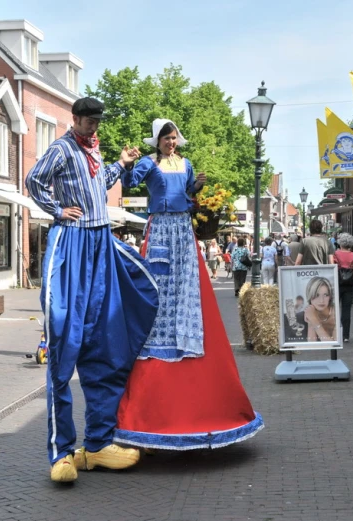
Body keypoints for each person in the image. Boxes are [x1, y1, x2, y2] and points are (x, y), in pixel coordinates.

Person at [25, 97, 159, 483]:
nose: (93, 127)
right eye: (88, 121)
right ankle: (62, 452)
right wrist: (56, 210)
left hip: (102, 243)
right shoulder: (61, 148)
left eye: (97, 121)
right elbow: (34, 181)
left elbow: (98, 185)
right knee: (64, 345)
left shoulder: (94, 149)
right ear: (75, 118)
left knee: (107, 342)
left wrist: (121, 164)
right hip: (73, 244)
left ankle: (98, 444)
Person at [115, 118, 263, 452]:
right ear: (157, 141)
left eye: (173, 138)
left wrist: (195, 189)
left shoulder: (186, 163)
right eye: (165, 138)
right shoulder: (148, 163)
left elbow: (184, 193)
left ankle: (185, 323)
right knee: (157, 283)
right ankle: (160, 330)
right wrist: (126, 164)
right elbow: (131, 182)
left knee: (186, 282)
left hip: (182, 227)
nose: (171, 143)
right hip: (160, 227)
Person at [334, 233, 353, 343]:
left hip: (337, 284)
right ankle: (345, 336)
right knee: (346, 310)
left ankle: (333, 333)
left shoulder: (335, 254)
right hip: (349, 286)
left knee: (334, 309)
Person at [303, 277, 336, 341]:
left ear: (330, 297)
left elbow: (331, 344)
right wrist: (310, 321)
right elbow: (312, 344)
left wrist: (314, 321)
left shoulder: (335, 313)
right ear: (309, 296)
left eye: (325, 295)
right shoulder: (310, 311)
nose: (321, 300)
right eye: (316, 295)